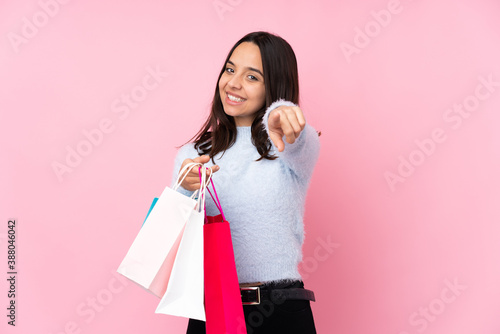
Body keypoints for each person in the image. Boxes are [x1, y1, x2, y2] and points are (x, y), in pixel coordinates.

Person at [170, 31, 321, 334]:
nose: (233, 83)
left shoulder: (288, 148)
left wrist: (280, 116)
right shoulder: (194, 154)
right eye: (229, 69)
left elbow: (299, 141)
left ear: (275, 87)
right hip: (212, 309)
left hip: (281, 310)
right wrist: (183, 190)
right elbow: (175, 241)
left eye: (252, 77)